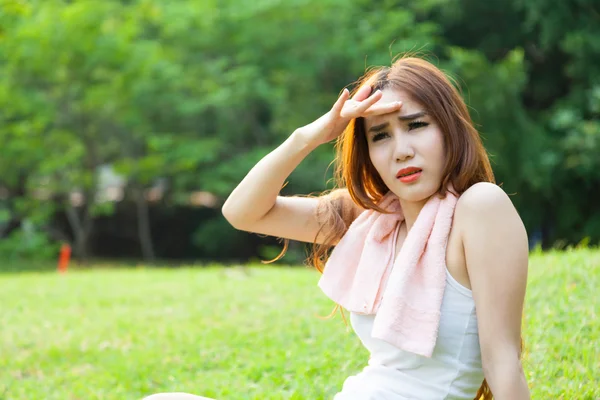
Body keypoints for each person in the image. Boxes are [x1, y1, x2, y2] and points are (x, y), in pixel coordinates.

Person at [144, 56, 530, 400]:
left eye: (416, 125)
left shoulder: (480, 208)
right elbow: (242, 212)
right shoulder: (367, 216)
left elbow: (503, 363)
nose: (401, 150)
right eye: (380, 135)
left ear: (449, 128)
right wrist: (308, 136)